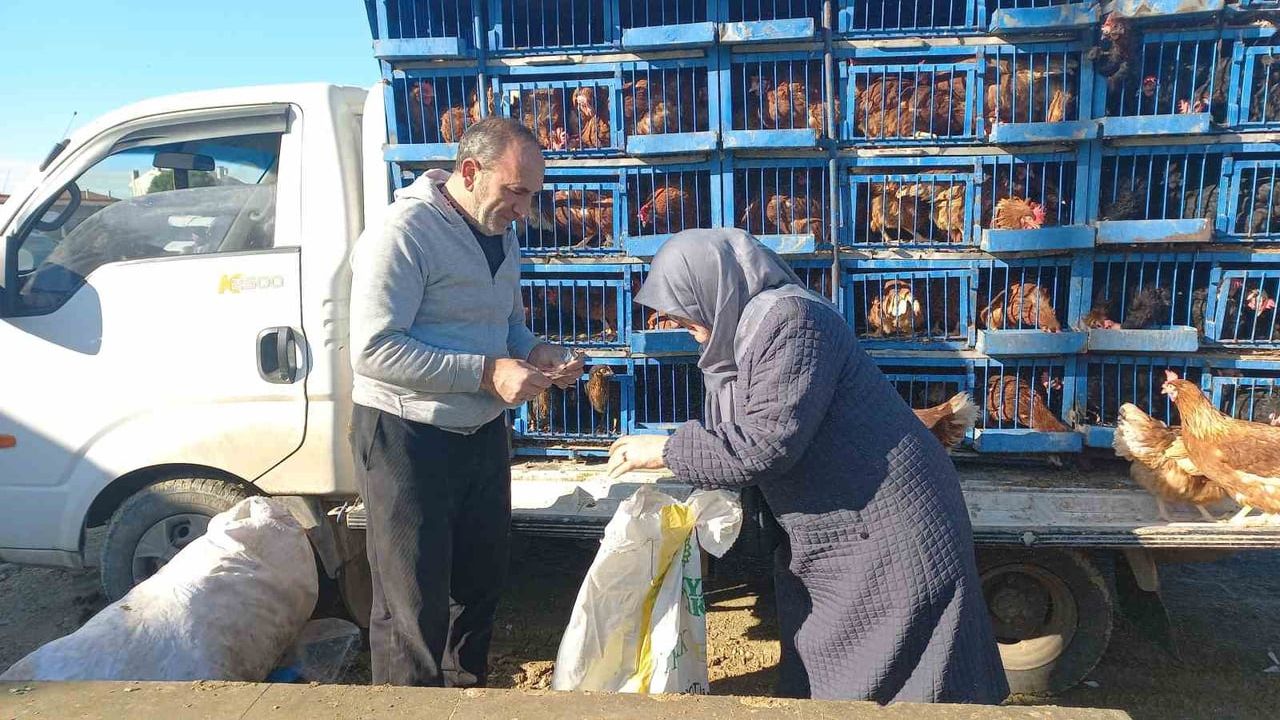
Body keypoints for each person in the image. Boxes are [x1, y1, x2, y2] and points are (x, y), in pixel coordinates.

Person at [607, 228, 1008, 704]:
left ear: (711, 286)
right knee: (827, 665)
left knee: (894, 683)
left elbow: (768, 442)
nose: (680, 324)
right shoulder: (749, 327)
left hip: (887, 528)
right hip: (842, 525)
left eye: (684, 311)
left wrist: (666, 451)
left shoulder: (793, 320)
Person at [347, 117, 584, 687]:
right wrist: (485, 373)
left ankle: (464, 697)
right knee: (412, 604)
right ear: (471, 172)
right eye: (516, 192)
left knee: (477, 589)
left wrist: (539, 351)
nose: (525, 209)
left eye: (532, 195)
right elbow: (373, 351)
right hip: (407, 434)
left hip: (480, 433)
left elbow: (506, 326)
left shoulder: (501, 231)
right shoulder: (403, 232)